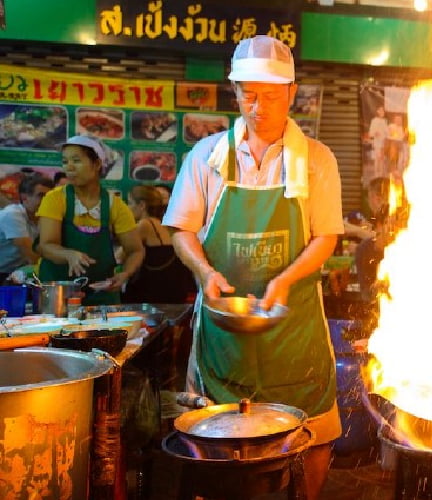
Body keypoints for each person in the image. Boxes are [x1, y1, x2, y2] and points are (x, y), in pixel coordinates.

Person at [162, 35, 343, 498]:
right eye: (247, 93)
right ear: (235, 91)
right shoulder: (206, 157)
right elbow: (181, 229)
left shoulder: (317, 161)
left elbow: (326, 236)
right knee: (216, 433)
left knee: (314, 430)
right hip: (225, 328)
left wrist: (284, 278)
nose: (257, 106)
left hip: (294, 325)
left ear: (292, 92)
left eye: (269, 94)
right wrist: (205, 273)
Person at [37, 136, 143, 305]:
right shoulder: (55, 198)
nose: (69, 167)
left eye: (76, 161)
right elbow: (46, 246)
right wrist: (68, 255)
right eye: (65, 161)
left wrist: (125, 274)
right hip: (59, 295)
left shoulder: (114, 205)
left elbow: (135, 250)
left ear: (97, 164)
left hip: (101, 294)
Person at [122, 185, 196, 304]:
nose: (127, 208)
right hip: (174, 293)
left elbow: (119, 256)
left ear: (142, 205)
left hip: (151, 295)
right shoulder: (167, 225)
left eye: (130, 203)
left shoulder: (144, 225)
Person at [0, 174, 53, 283]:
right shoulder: (12, 214)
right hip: (3, 274)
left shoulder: (41, 217)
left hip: (15, 273)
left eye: (50, 197)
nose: (47, 201)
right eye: (41, 195)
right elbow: (31, 257)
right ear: (24, 198)